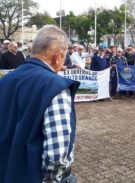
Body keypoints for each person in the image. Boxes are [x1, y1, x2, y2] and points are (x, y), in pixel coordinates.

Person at [0, 25, 80, 183]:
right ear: (58, 56)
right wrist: (53, 179)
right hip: (34, 175)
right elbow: (57, 152)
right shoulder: (55, 86)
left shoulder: (5, 81)